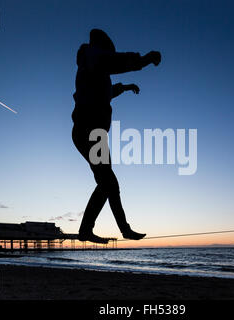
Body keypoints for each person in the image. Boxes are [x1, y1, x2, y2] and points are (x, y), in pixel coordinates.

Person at [72, 29, 161, 244]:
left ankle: (119, 229)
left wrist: (126, 87)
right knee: (108, 183)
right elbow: (115, 62)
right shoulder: (92, 56)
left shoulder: (92, 68)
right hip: (89, 131)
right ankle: (95, 230)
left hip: (94, 134)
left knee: (108, 183)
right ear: (101, 47)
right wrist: (144, 60)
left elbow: (106, 91)